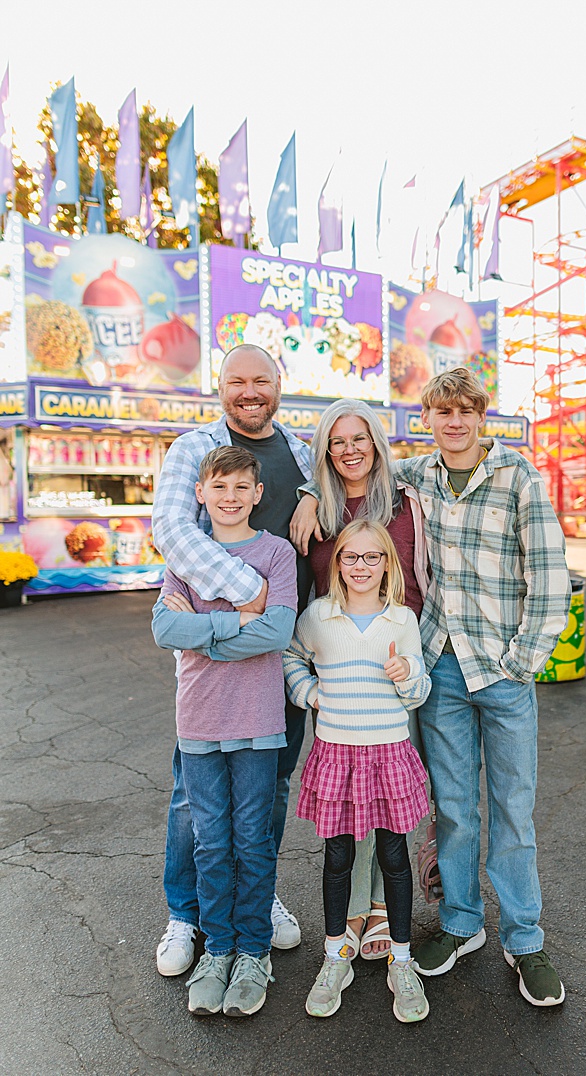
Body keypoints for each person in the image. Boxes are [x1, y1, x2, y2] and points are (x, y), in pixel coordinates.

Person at [293, 367, 570, 1006]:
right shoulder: (418, 477)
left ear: (481, 417)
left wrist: (521, 661)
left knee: (512, 811)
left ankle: (525, 939)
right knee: (452, 808)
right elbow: (351, 466)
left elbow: (551, 579)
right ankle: (462, 923)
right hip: (441, 665)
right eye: (441, 413)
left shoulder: (518, 479)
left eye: (464, 413)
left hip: (500, 672)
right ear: (428, 420)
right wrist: (309, 490)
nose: (453, 423)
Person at [150, 344, 312, 978]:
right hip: (214, 666)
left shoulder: (300, 451)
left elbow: (349, 482)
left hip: (281, 653)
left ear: (278, 386)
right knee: (196, 797)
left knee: (266, 788)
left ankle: (255, 897)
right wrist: (245, 598)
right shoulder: (194, 447)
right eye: (236, 381)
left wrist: (308, 496)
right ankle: (185, 915)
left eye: (262, 381)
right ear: (219, 387)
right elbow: (172, 530)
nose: (250, 391)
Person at [283, 520, 432, 1022]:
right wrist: (310, 694)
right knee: (338, 857)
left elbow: (419, 690)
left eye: (372, 557)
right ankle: (334, 958)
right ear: (337, 564)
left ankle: (402, 959)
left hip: (388, 751)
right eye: (351, 557)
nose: (361, 566)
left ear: (388, 562)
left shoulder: (402, 621)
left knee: (394, 856)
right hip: (338, 753)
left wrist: (408, 674)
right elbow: (291, 659)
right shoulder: (318, 617)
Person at [307, 398, 428, 960]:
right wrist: (311, 683)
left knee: (387, 807)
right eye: (338, 441)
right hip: (342, 661)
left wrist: (410, 661)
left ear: (377, 444)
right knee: (345, 810)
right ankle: (352, 914)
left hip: (398, 654)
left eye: (360, 438)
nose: (350, 449)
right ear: (326, 452)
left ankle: (383, 910)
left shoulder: (404, 503)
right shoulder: (318, 513)